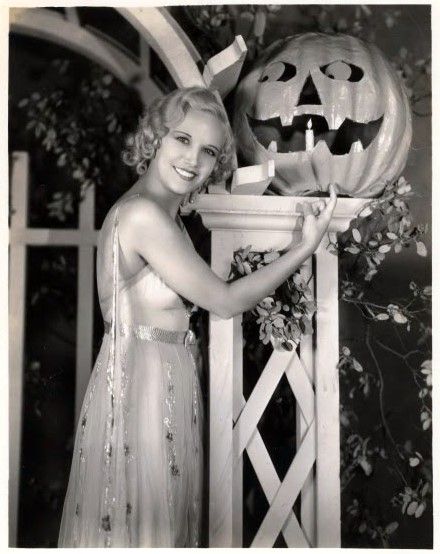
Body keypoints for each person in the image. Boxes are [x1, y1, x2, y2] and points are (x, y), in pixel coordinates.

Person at [58, 87, 336, 548]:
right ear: (155, 138)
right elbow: (223, 301)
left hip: (160, 379)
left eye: (208, 151)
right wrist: (303, 248)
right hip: (142, 386)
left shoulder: (165, 217)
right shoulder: (142, 216)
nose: (193, 159)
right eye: (182, 139)